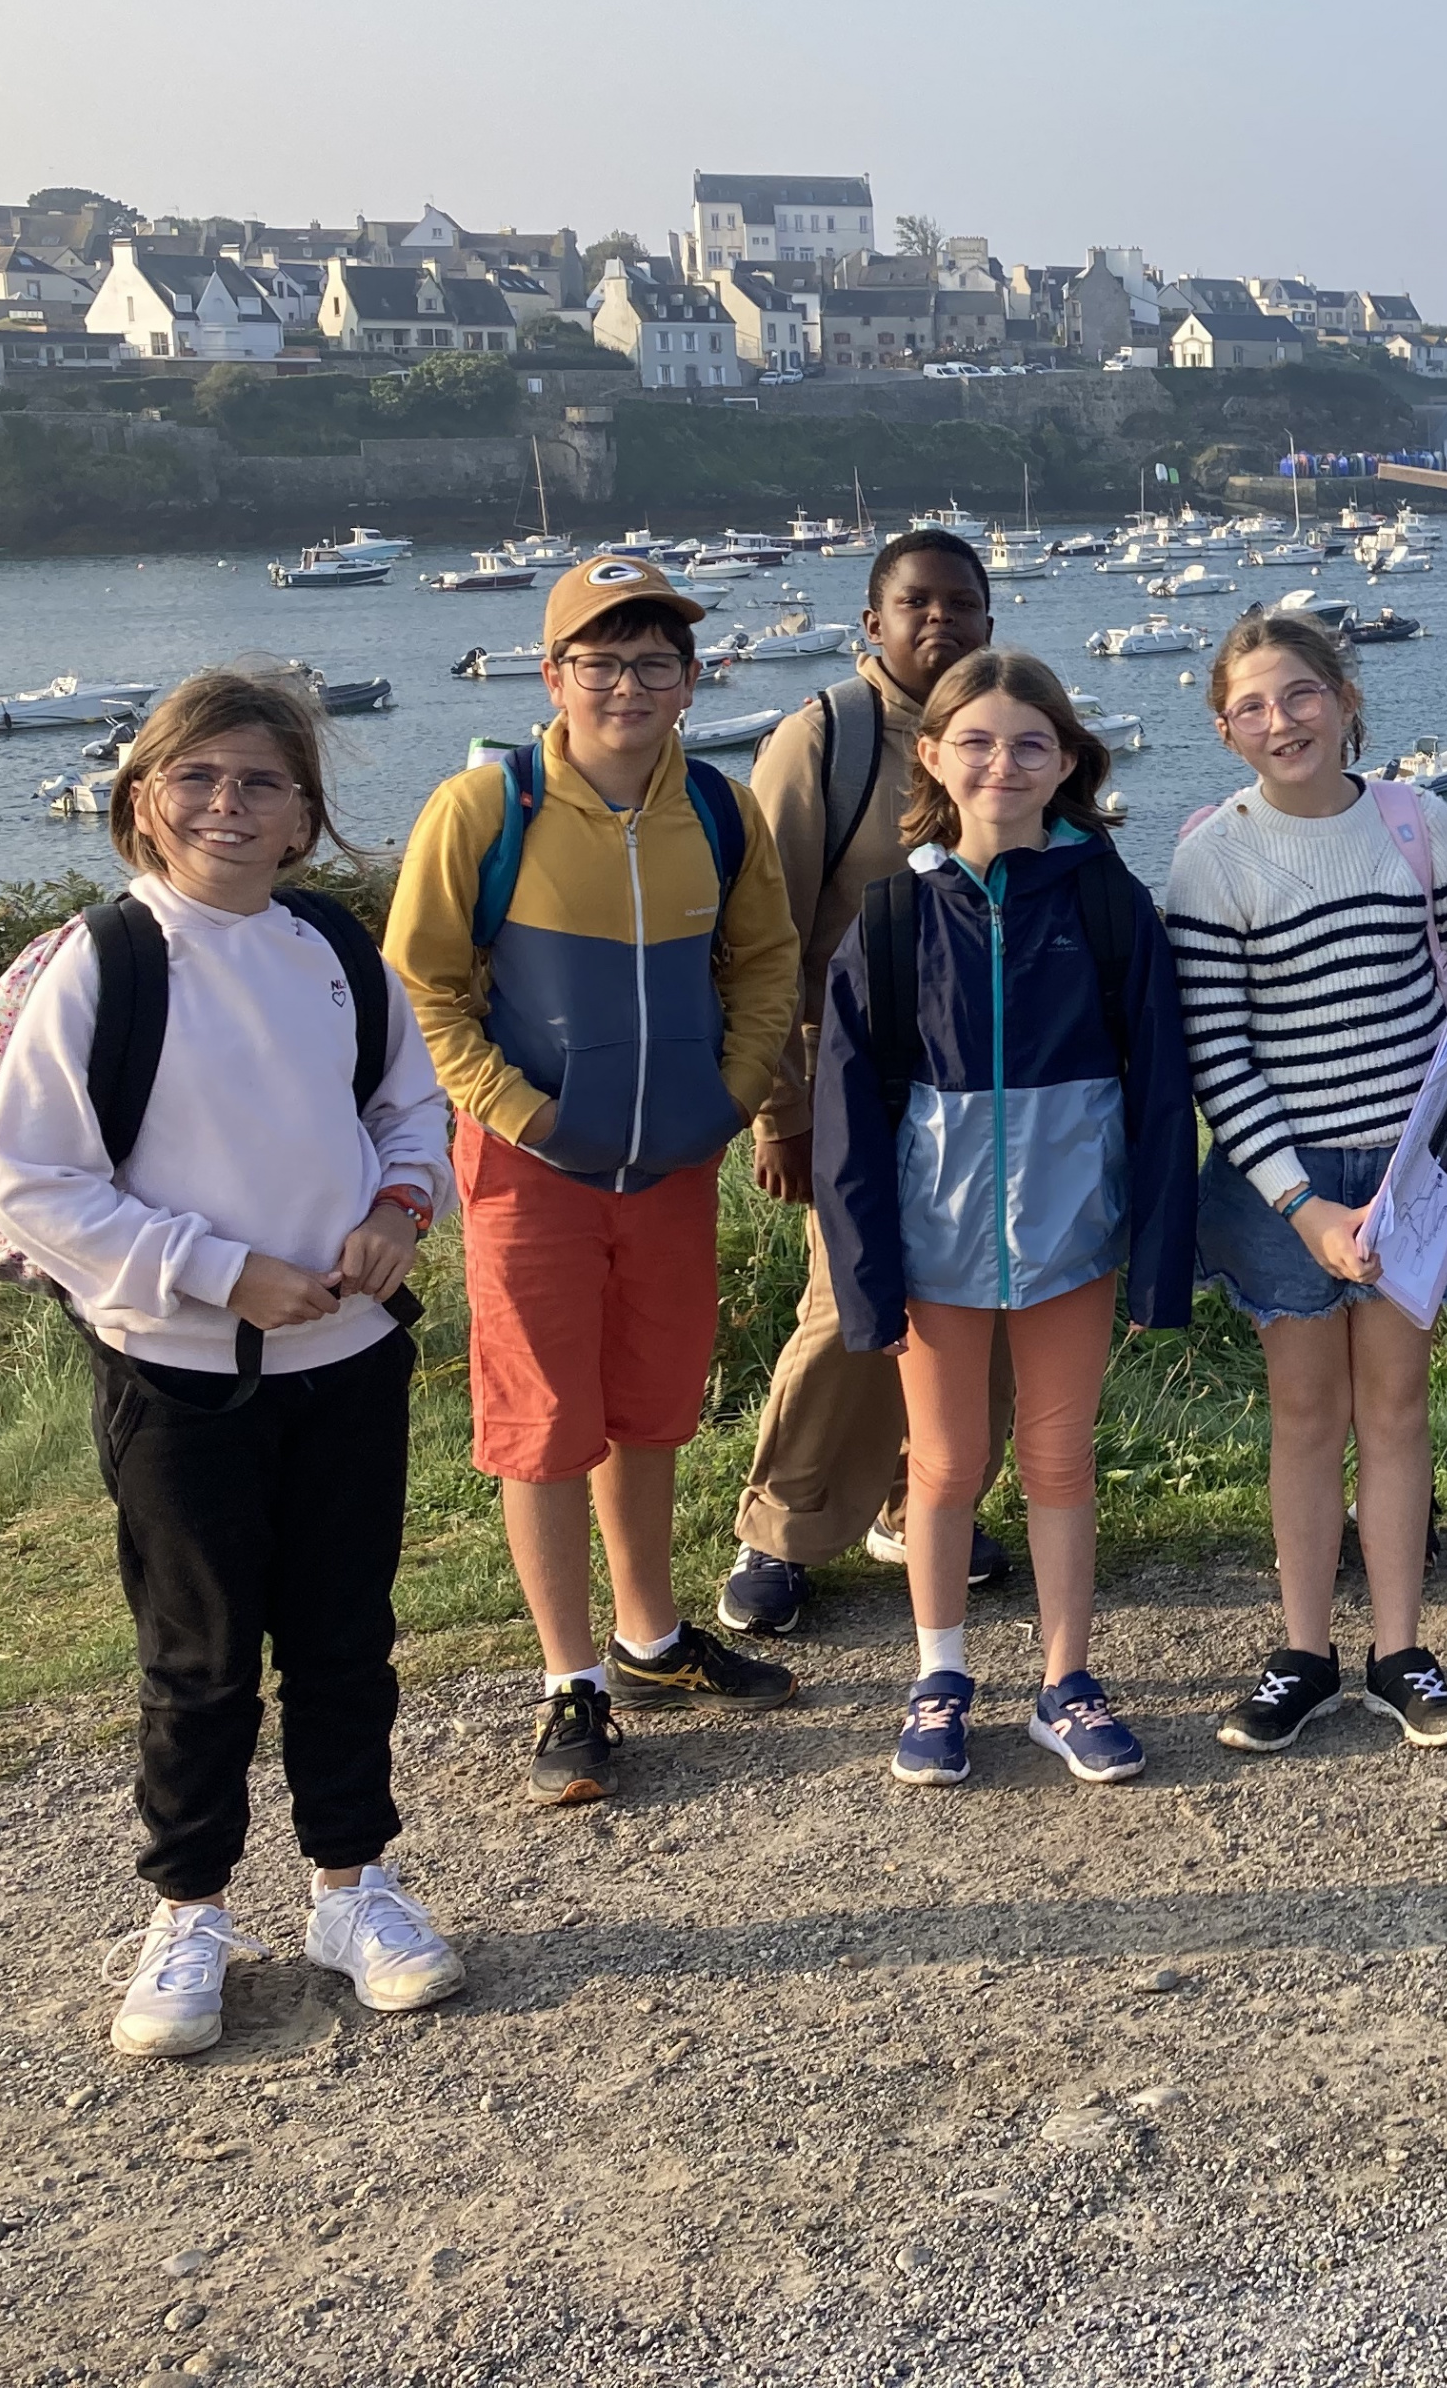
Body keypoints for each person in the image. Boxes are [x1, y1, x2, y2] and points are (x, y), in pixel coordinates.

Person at [0, 671, 470, 2057]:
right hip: (179, 1373)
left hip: (349, 1355)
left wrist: (399, 1211)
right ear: (142, 802)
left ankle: (352, 1890)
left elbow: (410, 1107)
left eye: (262, 782)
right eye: (195, 777)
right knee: (197, 1658)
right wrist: (218, 1271)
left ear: (304, 818)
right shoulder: (104, 963)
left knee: (342, 1637)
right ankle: (188, 1912)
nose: (228, 805)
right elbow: (34, 1184)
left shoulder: (336, 949)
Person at [386, 557, 804, 1808]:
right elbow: (425, 987)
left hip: (670, 1163)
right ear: (552, 674)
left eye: (655, 663)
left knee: (651, 1403)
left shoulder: (721, 810)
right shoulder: (484, 807)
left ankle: (650, 1638)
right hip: (530, 1172)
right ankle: (568, 1679)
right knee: (542, 1422)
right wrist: (522, 1113)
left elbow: (766, 962)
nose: (629, 686)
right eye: (602, 662)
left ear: (691, 680)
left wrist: (734, 1093)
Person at [813, 651, 1196, 1787]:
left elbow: (1162, 1091)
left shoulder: (1109, 904)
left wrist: (1160, 1260)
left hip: (1074, 1237)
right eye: (975, 742)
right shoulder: (890, 918)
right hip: (932, 1244)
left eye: (1031, 744)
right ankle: (938, 1679)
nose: (1003, 764)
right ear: (931, 756)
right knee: (942, 1466)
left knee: (1059, 1458)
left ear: (1067, 761)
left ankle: (1066, 1682)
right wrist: (865, 1278)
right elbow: (846, 1118)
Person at [1167, 612, 1447, 1753]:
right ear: (1226, 731)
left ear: (1345, 697)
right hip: (1288, 1184)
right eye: (1253, 707)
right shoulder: (1211, 858)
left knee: (1398, 1409)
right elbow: (1219, 1057)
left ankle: (1401, 1653)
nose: (1282, 722)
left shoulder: (1418, 822)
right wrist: (1302, 1203)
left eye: (1301, 694)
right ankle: (1305, 1653)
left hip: (1417, 1166)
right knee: (1306, 1415)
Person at [723, 527, 1004, 1638]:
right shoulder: (825, 741)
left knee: (980, 1298)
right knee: (849, 1303)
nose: (940, 620)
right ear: (873, 621)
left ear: (989, 620)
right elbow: (762, 938)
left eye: (960, 604)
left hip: (992, 1087)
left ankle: (919, 1501)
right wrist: (780, 1107)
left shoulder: (1006, 727)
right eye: (916, 603)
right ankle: (780, 1530)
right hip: (854, 1079)